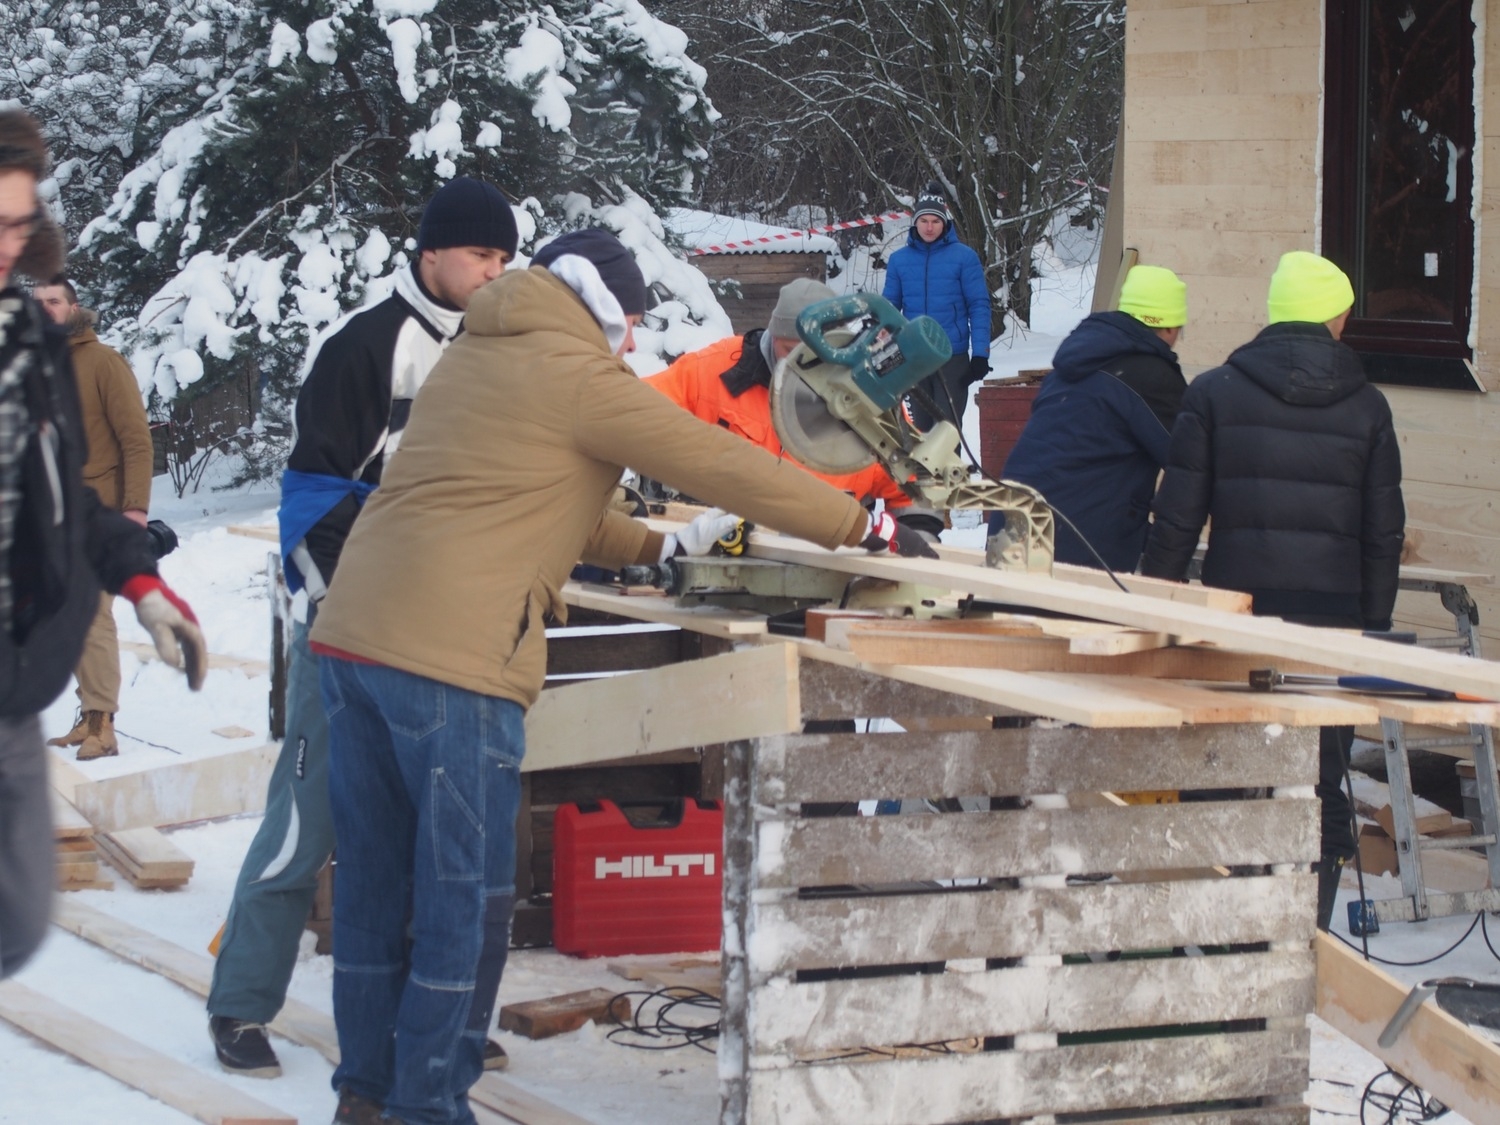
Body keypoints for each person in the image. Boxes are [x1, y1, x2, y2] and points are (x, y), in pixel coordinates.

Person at [306, 229, 934, 1125]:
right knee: (464, 902)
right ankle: (428, 1109)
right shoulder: (578, 374)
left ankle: (365, 1095)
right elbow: (715, 458)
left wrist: (662, 545)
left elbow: (529, 491)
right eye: (631, 318)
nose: (634, 341)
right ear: (598, 305)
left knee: (375, 887)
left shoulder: (479, 352)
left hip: (353, 642)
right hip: (450, 660)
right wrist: (862, 527)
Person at [206, 177, 518, 1082]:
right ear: (430, 255)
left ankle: (433, 1020)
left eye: (505, 260)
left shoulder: (494, 352)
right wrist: (346, 614)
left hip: (444, 642)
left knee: (432, 840)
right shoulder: (367, 348)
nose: (494, 274)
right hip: (344, 634)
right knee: (308, 824)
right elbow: (309, 502)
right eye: (479, 257)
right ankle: (239, 1002)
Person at [1140, 250, 1405, 930]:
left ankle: (1222, 923)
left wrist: (1152, 609)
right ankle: (1299, 933)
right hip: (1331, 624)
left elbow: (1177, 519)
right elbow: (1383, 533)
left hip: (1239, 617)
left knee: (1225, 765)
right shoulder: (1369, 407)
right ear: (1336, 316)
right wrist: (1371, 632)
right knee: (1321, 778)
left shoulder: (1214, 391)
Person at [0, 109, 205, 979]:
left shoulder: (30, 343)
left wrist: (140, 581)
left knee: (17, 921)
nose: (7, 248)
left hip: (11, 685)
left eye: (16, 225)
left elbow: (63, 501)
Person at [646, 276, 941, 535]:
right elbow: (634, 412)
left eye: (814, 353)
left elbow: (915, 485)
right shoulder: (713, 371)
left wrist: (918, 538)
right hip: (714, 547)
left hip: (824, 561)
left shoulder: (868, 399)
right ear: (772, 336)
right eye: (790, 350)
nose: (802, 363)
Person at [992, 264, 1189, 572]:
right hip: (1077, 545)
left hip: (1011, 526)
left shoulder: (1071, 366)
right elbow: (1191, 462)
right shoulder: (1151, 377)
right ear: (1169, 328)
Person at [33, 275, 155, 761]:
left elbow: (136, 440)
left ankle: (103, 724)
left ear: (74, 307)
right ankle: (89, 716)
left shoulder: (103, 361)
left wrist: (136, 510)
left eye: (54, 302)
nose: (44, 310)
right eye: (37, 303)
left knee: (91, 614)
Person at [882, 181, 991, 431]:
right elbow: (888, 310)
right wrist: (884, 351)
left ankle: (949, 472)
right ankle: (922, 473)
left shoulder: (964, 257)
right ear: (915, 223)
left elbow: (979, 305)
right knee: (920, 431)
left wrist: (981, 354)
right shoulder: (899, 261)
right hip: (915, 356)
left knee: (947, 430)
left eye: (935, 221)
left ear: (944, 224)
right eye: (924, 221)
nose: (929, 227)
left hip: (952, 356)